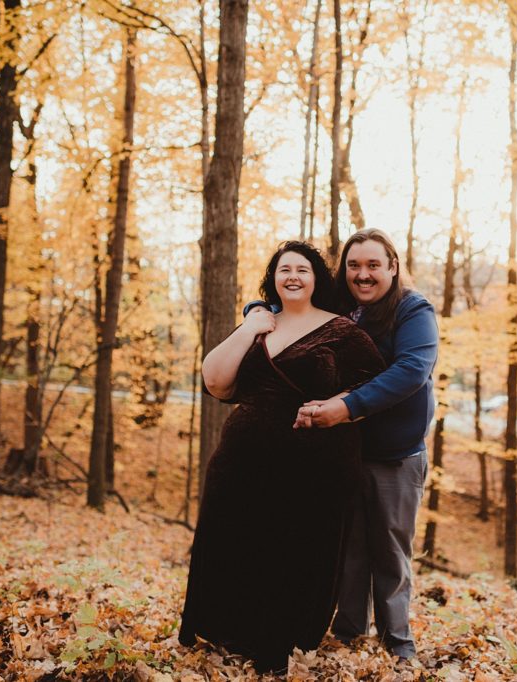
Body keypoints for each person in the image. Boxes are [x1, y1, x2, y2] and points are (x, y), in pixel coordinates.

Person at [178, 241, 384, 673]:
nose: (292, 276)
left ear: (316, 280)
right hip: (242, 459)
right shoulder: (259, 323)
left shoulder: (343, 332)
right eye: (284, 269)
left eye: (302, 270)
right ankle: (226, 627)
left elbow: (372, 391)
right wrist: (251, 326)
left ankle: (278, 638)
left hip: (311, 465)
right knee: (235, 539)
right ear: (273, 278)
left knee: (290, 547)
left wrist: (336, 407)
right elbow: (216, 381)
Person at [291, 228, 439, 661]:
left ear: (393, 267)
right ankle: (350, 629)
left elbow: (411, 371)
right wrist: (257, 309)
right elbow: (289, 303)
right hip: (345, 453)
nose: (363, 274)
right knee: (349, 545)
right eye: (354, 266)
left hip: (397, 455)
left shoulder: (414, 311)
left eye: (374, 265)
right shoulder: (342, 307)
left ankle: (398, 640)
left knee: (390, 548)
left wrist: (347, 406)